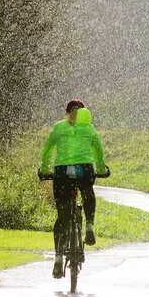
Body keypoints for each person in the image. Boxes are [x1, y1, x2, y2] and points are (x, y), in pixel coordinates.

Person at [39, 99, 107, 278]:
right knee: (87, 192)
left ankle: (58, 257)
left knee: (62, 216)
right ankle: (90, 225)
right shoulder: (89, 129)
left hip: (62, 171)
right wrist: (101, 169)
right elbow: (99, 151)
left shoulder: (59, 128)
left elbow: (47, 150)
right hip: (84, 169)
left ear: (66, 112)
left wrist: (45, 169)